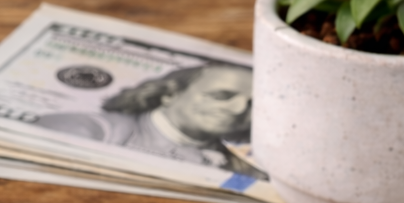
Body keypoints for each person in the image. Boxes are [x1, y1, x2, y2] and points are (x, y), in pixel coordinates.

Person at [36, 62, 263, 178]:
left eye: (254, 104)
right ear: (170, 94)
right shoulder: (88, 130)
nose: (239, 109)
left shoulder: (250, 166)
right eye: (221, 96)